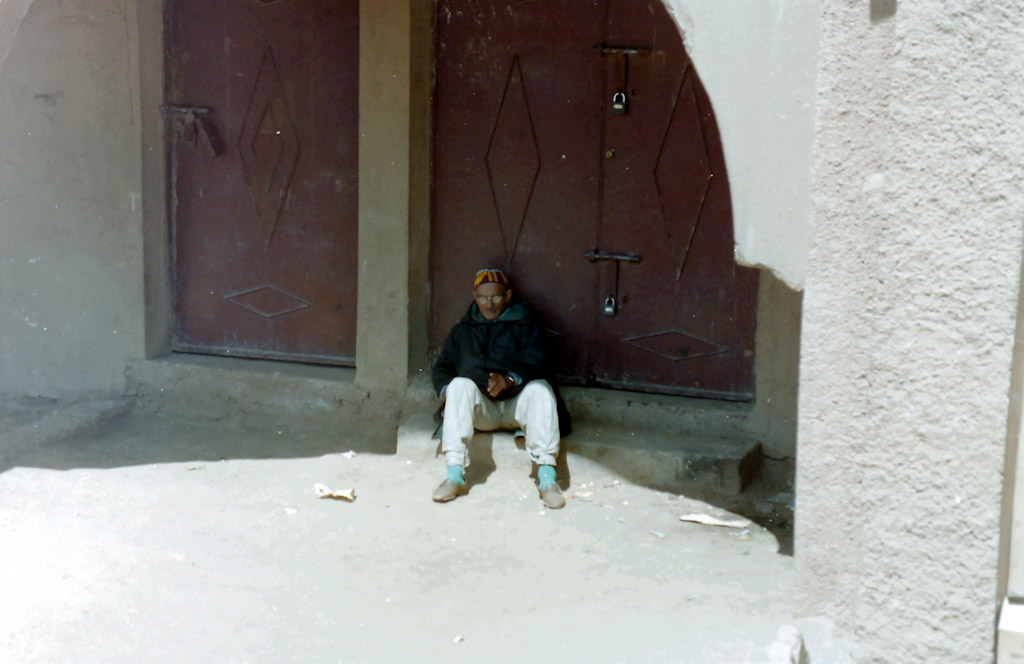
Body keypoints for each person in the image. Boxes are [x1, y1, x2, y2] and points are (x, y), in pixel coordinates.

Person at [431, 268, 566, 509]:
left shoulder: (525, 326)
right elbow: (443, 368)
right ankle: (454, 476)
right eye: (483, 298)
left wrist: (510, 379)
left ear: (507, 296)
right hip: (483, 411)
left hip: (517, 406)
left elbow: (539, 362)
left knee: (541, 389)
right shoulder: (462, 332)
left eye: (495, 297)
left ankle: (547, 479)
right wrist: (446, 393)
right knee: (458, 385)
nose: (489, 304)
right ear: (475, 297)